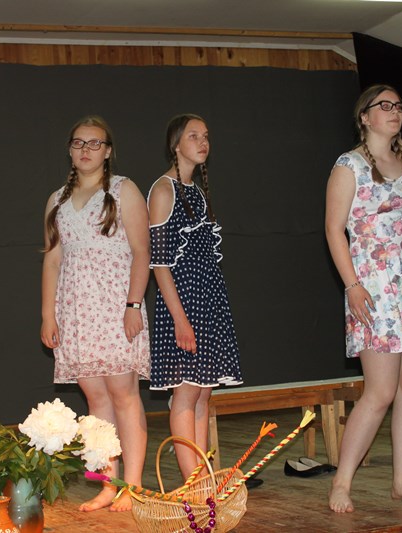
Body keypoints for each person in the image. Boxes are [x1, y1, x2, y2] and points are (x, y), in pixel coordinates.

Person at [324, 84, 402, 513]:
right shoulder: (349, 165)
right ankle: (341, 482)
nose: (394, 111)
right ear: (364, 116)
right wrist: (352, 285)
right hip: (372, 284)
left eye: (399, 105)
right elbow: (334, 230)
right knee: (379, 391)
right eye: (384, 105)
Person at [40, 115, 150, 512]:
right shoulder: (56, 200)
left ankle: (132, 485)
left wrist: (133, 305)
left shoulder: (123, 190)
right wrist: (48, 315)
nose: (86, 150)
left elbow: (142, 251)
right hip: (76, 311)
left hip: (116, 305)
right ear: (70, 149)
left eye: (95, 143)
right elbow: (52, 260)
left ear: (107, 151)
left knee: (124, 395)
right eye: (79, 143)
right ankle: (108, 483)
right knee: (96, 399)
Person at [147, 114, 243, 480]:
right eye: (193, 136)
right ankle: (194, 481)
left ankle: (202, 474)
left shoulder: (196, 193)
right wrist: (180, 319)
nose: (203, 142)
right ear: (175, 144)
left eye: (206, 136)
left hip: (207, 301)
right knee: (186, 393)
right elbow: (159, 264)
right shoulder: (163, 190)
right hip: (184, 304)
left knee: (204, 392)